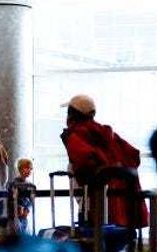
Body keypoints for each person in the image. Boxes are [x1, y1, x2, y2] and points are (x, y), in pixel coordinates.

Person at [60, 94, 147, 228]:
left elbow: (86, 167)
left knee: (97, 242)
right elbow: (133, 155)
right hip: (123, 205)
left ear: (71, 114)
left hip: (97, 204)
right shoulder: (105, 133)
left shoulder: (75, 135)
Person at [12, 157, 34, 223]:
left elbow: (32, 199)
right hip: (16, 214)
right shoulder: (14, 183)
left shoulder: (30, 184)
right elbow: (13, 197)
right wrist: (20, 206)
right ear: (20, 169)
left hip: (24, 214)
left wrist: (27, 209)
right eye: (27, 168)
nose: (29, 170)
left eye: (30, 168)